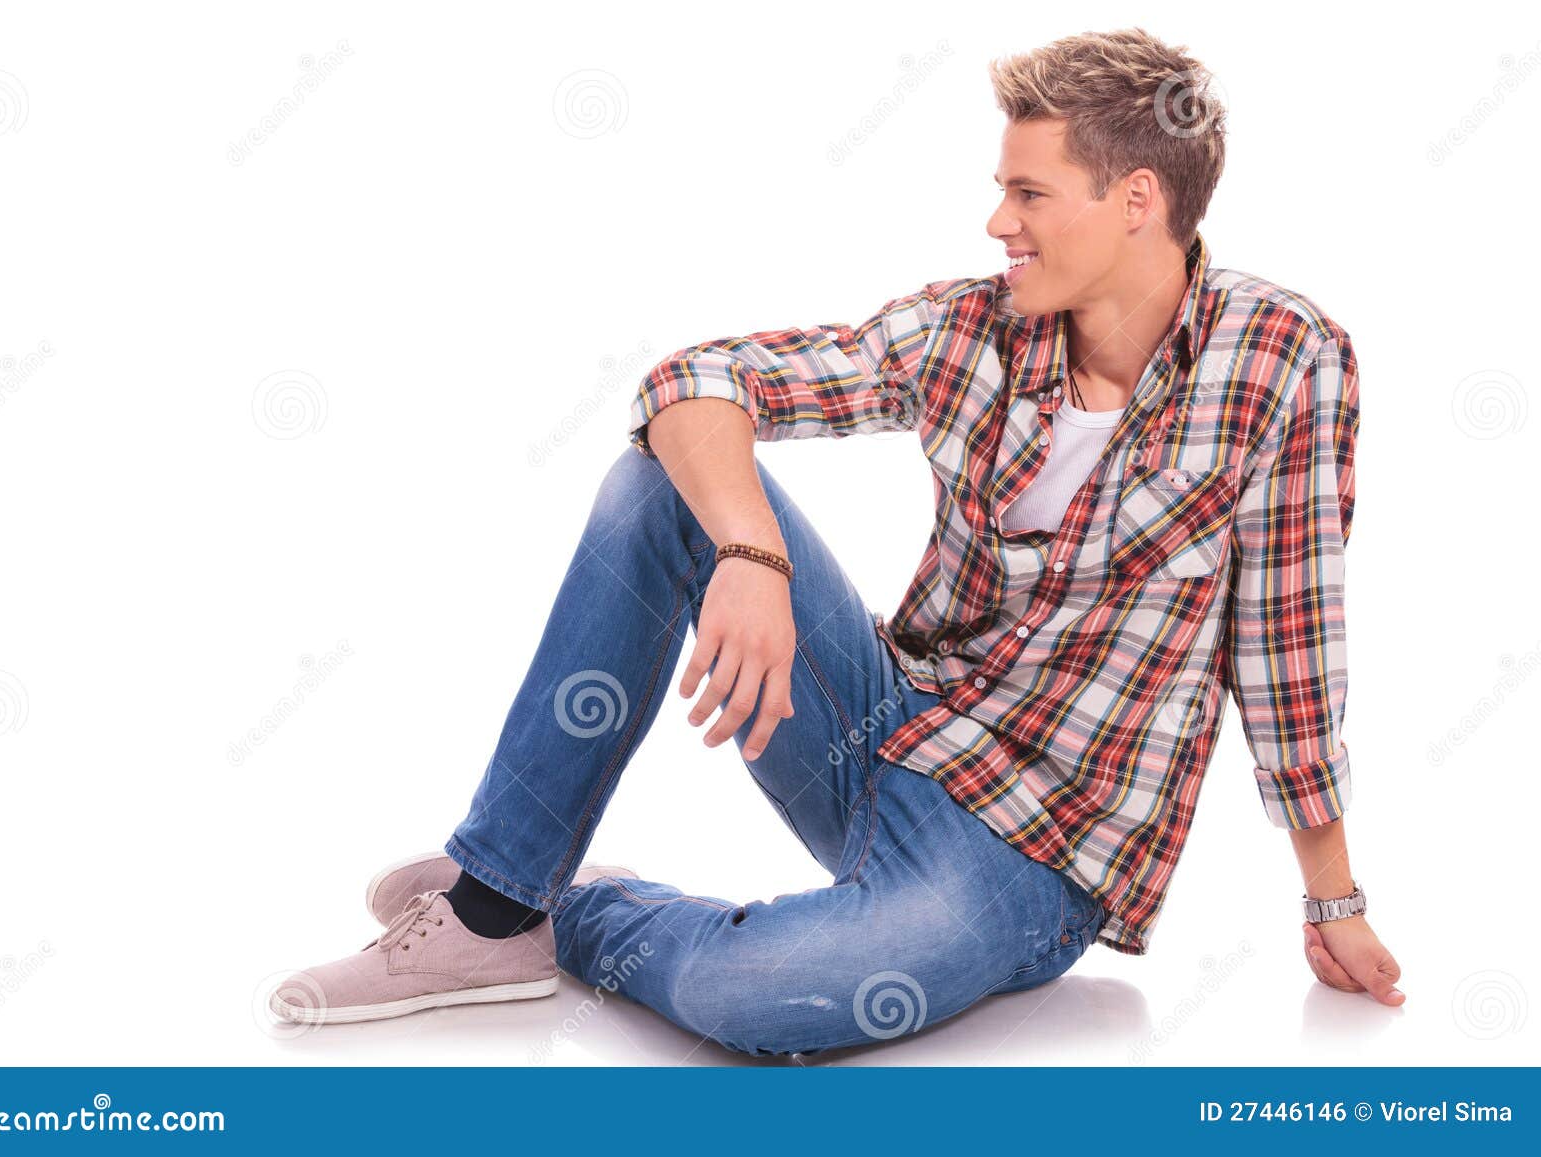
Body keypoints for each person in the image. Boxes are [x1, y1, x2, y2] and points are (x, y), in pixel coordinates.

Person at [270, 26, 1404, 1057]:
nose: (997, 222)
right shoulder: (971, 326)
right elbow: (697, 380)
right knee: (656, 481)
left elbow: (1285, 644)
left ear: (1136, 200)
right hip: (879, 730)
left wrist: (1331, 900)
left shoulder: (1283, 358)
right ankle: (494, 902)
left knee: (759, 1004)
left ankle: (574, 908)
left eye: (1027, 192)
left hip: (1028, 858)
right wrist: (753, 558)